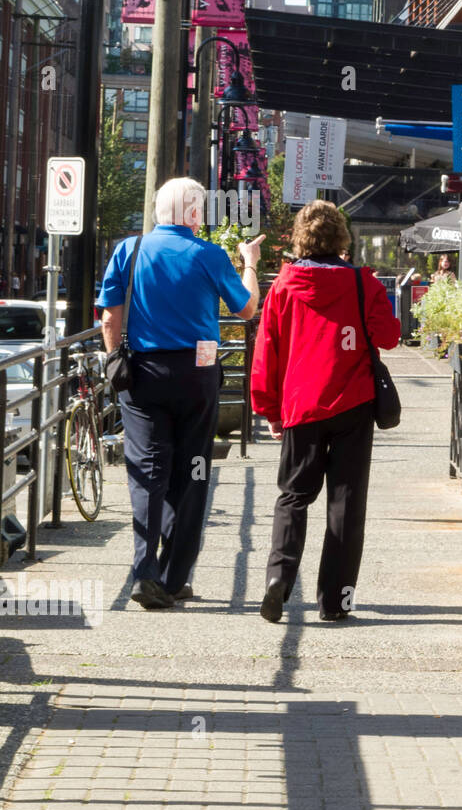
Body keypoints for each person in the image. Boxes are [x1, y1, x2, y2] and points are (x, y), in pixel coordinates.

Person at [99, 177, 263, 610]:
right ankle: (174, 577)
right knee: (193, 469)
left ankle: (144, 571)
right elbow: (247, 308)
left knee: (148, 470)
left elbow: (109, 318)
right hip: (197, 375)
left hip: (143, 376)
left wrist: (115, 358)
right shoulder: (209, 255)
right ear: (193, 213)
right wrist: (249, 263)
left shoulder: (129, 250)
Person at [250, 200, 400, 623]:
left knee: (293, 496)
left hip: (301, 404)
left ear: (301, 237)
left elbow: (267, 350)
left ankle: (278, 578)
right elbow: (389, 337)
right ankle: (335, 601)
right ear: (340, 238)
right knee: (346, 502)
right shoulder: (362, 283)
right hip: (354, 401)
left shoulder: (283, 286)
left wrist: (269, 408)